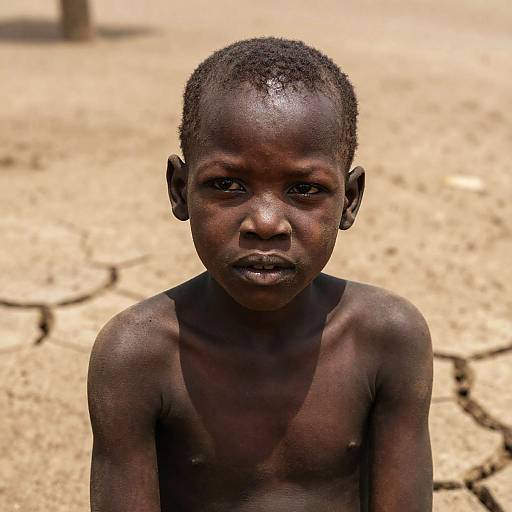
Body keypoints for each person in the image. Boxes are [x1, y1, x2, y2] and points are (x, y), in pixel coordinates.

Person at [88, 37, 433, 512]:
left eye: (305, 188)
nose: (266, 223)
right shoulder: (137, 355)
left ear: (349, 200)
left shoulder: (387, 339)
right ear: (180, 190)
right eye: (228, 185)